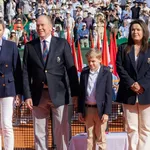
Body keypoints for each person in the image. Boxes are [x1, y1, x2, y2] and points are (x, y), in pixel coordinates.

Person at [23, 15, 79, 150]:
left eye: (42, 25)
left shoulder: (62, 43)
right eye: (37, 25)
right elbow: (25, 72)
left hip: (60, 94)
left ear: (50, 27)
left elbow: (71, 70)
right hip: (38, 95)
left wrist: (75, 94)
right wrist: (28, 96)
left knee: (62, 131)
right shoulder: (30, 46)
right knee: (39, 132)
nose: (40, 28)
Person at [116, 19, 150, 150]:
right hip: (128, 93)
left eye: (138, 29)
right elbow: (119, 67)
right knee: (131, 128)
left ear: (144, 31)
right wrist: (131, 84)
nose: (135, 32)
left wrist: (141, 85)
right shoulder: (123, 48)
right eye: (133, 29)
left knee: (146, 128)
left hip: (146, 93)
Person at [78, 49, 112, 150]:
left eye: (93, 61)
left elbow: (109, 94)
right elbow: (81, 94)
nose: (91, 64)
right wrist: (80, 111)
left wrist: (106, 112)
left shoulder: (106, 72)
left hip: (100, 110)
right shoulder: (84, 72)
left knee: (101, 137)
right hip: (88, 109)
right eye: (89, 61)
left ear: (100, 60)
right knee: (90, 137)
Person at [0, 20, 22, 150]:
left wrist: (19, 92)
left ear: (3, 30)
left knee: (6, 124)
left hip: (8, 88)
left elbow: (17, 70)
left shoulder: (11, 45)